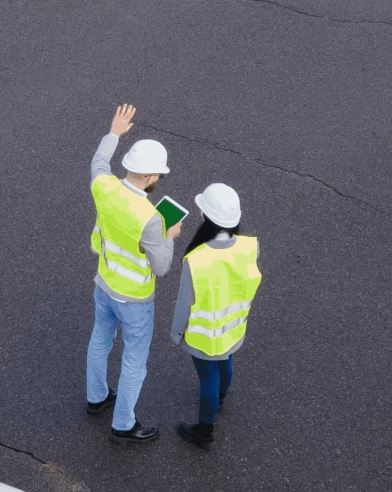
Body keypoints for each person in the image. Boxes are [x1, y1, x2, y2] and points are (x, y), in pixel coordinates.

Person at [87, 104, 179, 443]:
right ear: (152, 178)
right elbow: (162, 267)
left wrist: (114, 132)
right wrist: (169, 235)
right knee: (134, 362)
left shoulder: (104, 186)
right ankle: (123, 424)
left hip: (104, 283)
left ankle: (96, 398)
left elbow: (99, 161)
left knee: (100, 340)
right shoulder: (152, 218)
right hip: (135, 299)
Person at [169, 183, 261, 449]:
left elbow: (184, 303)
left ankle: (204, 430)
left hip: (204, 336)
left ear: (205, 217)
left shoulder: (196, 259)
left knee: (207, 379)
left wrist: (176, 334)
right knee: (225, 364)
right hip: (233, 328)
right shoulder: (250, 246)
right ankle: (220, 398)